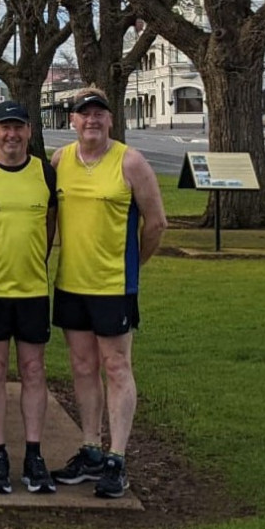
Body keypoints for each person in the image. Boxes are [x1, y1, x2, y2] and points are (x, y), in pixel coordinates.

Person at [50, 91, 167, 499]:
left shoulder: (130, 161)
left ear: (110, 120)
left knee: (116, 366)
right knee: (82, 366)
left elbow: (156, 223)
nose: (91, 121)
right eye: (84, 115)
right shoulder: (60, 160)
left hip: (113, 286)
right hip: (70, 282)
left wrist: (133, 268)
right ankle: (91, 448)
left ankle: (117, 457)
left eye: (99, 114)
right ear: (73, 121)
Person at [0, 100, 59, 494]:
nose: (12, 134)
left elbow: (50, 226)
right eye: (4, 127)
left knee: (34, 371)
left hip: (33, 290)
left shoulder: (45, 173)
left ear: (28, 131)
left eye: (18, 127)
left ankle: (34, 454)